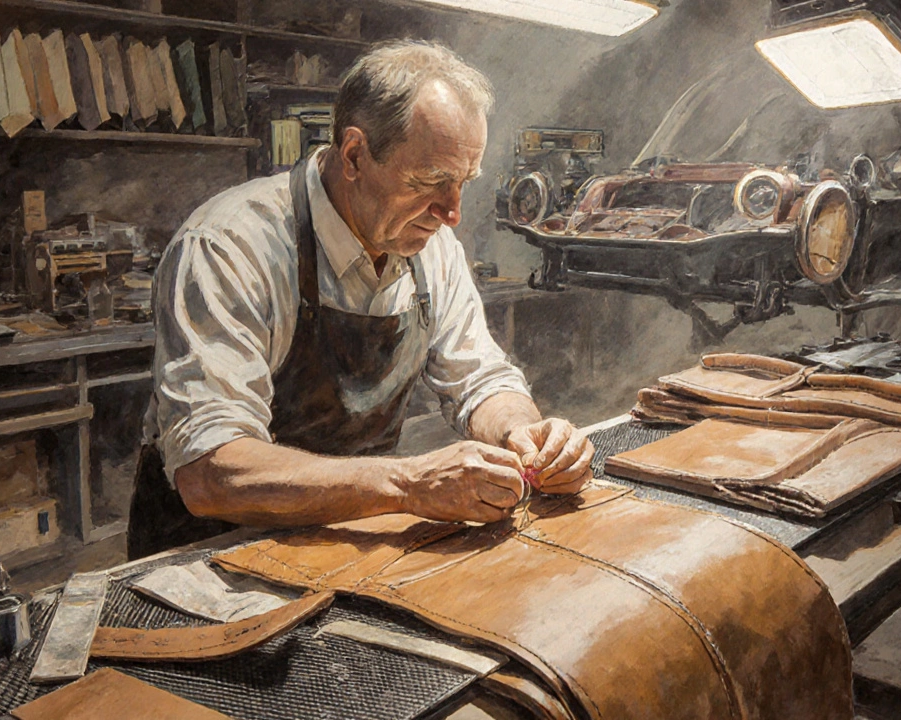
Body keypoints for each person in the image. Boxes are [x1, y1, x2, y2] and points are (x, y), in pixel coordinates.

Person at [127, 40, 594, 560]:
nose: (452, 212)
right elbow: (211, 472)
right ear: (354, 155)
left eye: (463, 182)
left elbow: (478, 378)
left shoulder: (430, 245)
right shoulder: (229, 246)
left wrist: (524, 434)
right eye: (432, 181)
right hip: (207, 558)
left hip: (343, 536)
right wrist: (408, 484)